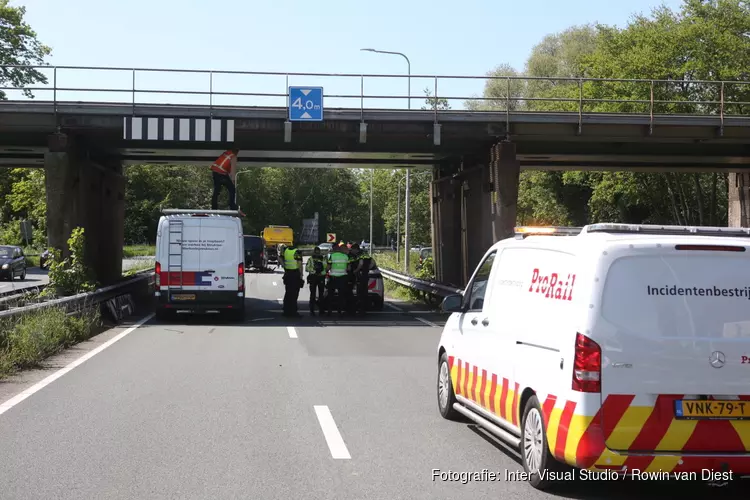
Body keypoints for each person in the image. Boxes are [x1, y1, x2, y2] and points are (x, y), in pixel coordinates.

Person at [210, 148, 245, 215]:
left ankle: (214, 208)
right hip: (222, 174)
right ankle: (232, 206)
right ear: (237, 152)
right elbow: (233, 172)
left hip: (215, 172)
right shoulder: (233, 157)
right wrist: (233, 181)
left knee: (216, 191)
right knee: (232, 189)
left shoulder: (226, 153)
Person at [326, 242, 350, 316]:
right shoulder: (345, 256)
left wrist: (325, 271)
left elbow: (328, 267)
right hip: (343, 277)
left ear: (333, 249)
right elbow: (349, 268)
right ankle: (340, 311)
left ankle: (329, 311)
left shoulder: (332, 256)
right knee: (341, 295)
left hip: (333, 277)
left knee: (330, 295)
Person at [281, 243, 303, 317]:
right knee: (294, 294)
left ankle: (286, 310)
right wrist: (301, 275)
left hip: (287, 273)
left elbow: (280, 258)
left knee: (288, 292)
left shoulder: (286, 250)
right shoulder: (297, 252)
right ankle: (293, 311)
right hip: (295, 274)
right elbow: (299, 264)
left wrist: (284, 266)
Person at [353, 247, 376, 315]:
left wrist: (356, 270)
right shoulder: (368, 256)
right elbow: (372, 263)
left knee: (359, 292)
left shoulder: (360, 256)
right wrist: (367, 269)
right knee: (365, 291)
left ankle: (360, 308)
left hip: (360, 275)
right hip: (366, 275)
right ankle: (364, 307)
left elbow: (360, 263)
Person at [306, 246, 327, 315]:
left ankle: (314, 310)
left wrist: (314, 272)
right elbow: (326, 268)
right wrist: (320, 273)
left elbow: (307, 268)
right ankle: (319, 310)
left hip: (314, 277)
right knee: (319, 295)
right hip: (318, 277)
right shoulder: (322, 259)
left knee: (314, 294)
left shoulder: (311, 259)